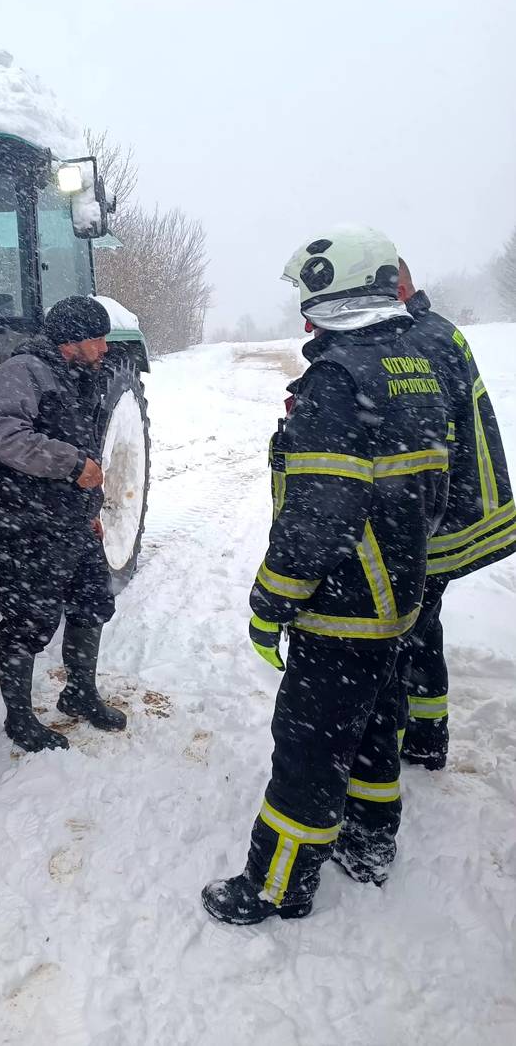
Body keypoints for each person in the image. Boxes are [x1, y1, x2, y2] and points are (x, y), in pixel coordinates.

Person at [202, 224, 449, 925]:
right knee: (374, 723)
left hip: (343, 603)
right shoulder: (414, 362)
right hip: (399, 593)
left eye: (309, 298)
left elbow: (318, 519)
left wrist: (270, 601)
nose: (302, 315)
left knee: (309, 745)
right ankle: (370, 842)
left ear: (334, 297)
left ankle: (277, 885)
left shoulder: (338, 381)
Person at [0, 295, 126, 753]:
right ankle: (20, 720)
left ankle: (80, 693)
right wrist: (70, 465)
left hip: (72, 520)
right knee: (29, 619)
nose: (104, 348)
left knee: (92, 602)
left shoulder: (82, 376)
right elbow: (5, 436)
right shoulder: (22, 371)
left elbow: (87, 449)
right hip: (28, 521)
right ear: (71, 339)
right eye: (97, 338)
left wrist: (92, 510)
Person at [395, 260, 515, 768]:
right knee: (424, 625)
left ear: (397, 288)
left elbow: (425, 446)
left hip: (441, 518)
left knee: (405, 627)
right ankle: (426, 734)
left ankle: (402, 735)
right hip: (457, 507)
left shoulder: (418, 341)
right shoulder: (434, 329)